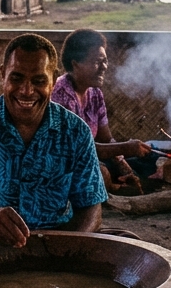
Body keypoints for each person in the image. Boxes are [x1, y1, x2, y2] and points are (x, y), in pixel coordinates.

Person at [0, 32, 130, 246]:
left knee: (129, 243)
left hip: (54, 240)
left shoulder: (76, 132)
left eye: (39, 80)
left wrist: (68, 246)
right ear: (3, 74)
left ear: (52, 80)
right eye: (16, 78)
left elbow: (91, 208)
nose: (27, 91)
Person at [50, 29, 152, 193]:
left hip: (92, 157)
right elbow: (78, 149)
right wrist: (126, 148)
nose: (104, 67)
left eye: (105, 61)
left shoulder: (94, 93)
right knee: (100, 172)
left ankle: (121, 184)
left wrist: (127, 171)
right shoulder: (60, 95)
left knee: (146, 161)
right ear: (76, 64)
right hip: (64, 162)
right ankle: (116, 189)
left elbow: (106, 139)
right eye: (98, 62)